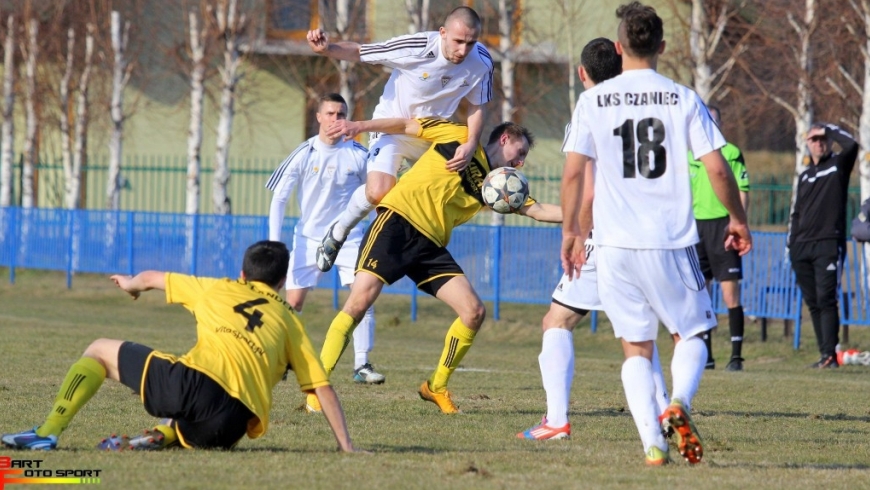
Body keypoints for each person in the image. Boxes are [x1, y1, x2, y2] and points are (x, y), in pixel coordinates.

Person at [560, 2, 751, 465]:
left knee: (635, 348)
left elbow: (572, 175)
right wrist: (737, 218)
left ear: (619, 46)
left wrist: (571, 232)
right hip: (670, 241)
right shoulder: (682, 97)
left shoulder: (591, 101)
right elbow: (717, 168)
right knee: (692, 335)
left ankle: (653, 444)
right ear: (662, 47)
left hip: (614, 245)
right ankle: (679, 402)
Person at [305, 116, 561, 415]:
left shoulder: (497, 187)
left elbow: (539, 210)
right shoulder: (458, 135)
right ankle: (316, 390)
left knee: (473, 312)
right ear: (505, 138)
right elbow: (405, 125)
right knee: (358, 303)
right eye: (520, 153)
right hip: (397, 223)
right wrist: (358, 126)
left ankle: (436, 387)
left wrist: (588, 216)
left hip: (430, 246)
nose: (519, 163)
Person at [1, 241, 360, 453]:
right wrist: (348, 448)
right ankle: (165, 434)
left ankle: (46, 433)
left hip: (194, 386)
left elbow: (154, 278)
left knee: (97, 349)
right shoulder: (291, 322)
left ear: (243, 274)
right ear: (281, 282)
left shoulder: (218, 287)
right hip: (231, 426)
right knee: (188, 415)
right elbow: (321, 387)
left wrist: (131, 285)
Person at [517, 37, 671, 441]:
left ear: (582, 73)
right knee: (639, 332)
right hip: (648, 232)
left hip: (603, 235)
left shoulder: (591, 109)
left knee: (557, 320)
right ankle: (665, 411)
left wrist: (576, 234)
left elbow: (582, 182)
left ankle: (556, 421)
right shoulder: (650, 104)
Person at [306, 6, 494, 273]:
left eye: (471, 42)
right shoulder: (416, 47)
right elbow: (362, 52)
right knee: (378, 191)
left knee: (440, 198)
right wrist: (327, 49)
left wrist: (471, 142)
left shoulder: (483, 61)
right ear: (442, 33)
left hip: (431, 136)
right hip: (392, 128)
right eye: (458, 41)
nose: (464, 50)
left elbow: (478, 106)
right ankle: (339, 231)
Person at [267, 93, 384, 386]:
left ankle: (362, 364)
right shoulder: (304, 153)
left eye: (341, 114)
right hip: (308, 238)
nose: (335, 119)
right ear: (319, 117)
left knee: (363, 295)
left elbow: (376, 194)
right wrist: (274, 242)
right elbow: (279, 198)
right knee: (292, 302)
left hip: (350, 237)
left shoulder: (358, 154)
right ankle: (282, 359)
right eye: (330, 113)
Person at [788, 123, 858, 369]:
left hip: (828, 244)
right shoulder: (805, 175)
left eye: (823, 139)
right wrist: (792, 244)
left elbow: (852, 145)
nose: (819, 143)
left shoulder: (837, 166)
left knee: (827, 298)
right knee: (814, 301)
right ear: (807, 143)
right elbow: (797, 212)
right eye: (814, 139)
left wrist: (829, 128)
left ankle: (831, 354)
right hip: (802, 248)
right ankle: (824, 354)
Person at [688, 105, 750, 372]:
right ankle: (707, 357)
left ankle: (736, 356)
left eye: (713, 122)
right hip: (694, 229)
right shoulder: (687, 156)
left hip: (723, 227)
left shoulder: (731, 153)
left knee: (729, 294)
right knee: (701, 295)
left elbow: (743, 190)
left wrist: (739, 223)